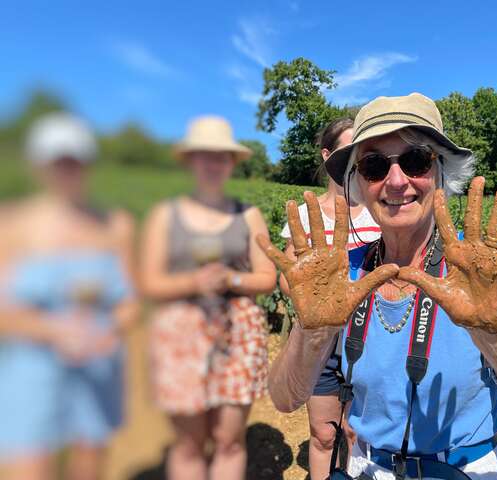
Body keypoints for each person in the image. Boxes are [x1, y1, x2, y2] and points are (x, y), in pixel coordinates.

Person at [258, 93, 497, 479]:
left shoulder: (492, 271)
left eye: (416, 161)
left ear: (443, 173)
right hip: (369, 468)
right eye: (375, 166)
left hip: (470, 469)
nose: (397, 181)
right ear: (359, 185)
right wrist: (313, 332)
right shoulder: (342, 275)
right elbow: (284, 398)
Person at [0, 113, 138, 480]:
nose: (67, 171)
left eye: (75, 162)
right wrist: (54, 331)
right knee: (29, 469)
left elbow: (130, 304)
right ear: (39, 166)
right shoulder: (11, 224)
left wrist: (110, 330)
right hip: (31, 366)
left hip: (98, 364)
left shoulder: (115, 224)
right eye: (58, 162)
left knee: (88, 466)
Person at [140, 116, 277, 480]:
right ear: (191, 161)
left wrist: (230, 277)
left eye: (220, 157)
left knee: (228, 439)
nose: (212, 164)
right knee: (188, 445)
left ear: (231, 163)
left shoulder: (249, 215)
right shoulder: (164, 215)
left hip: (238, 333)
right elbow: (149, 283)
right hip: (181, 334)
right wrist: (193, 281)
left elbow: (268, 277)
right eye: (205, 156)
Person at [280, 118, 381, 479]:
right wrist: (314, 296)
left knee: (356, 432)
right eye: (347, 151)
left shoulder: (379, 209)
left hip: (369, 336)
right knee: (324, 433)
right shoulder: (307, 214)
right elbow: (286, 274)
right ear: (328, 155)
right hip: (322, 338)